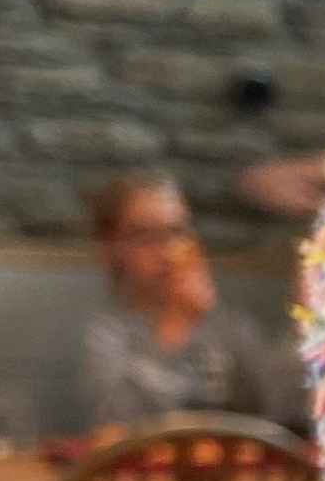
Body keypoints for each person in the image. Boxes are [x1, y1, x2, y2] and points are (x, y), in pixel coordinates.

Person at [80, 172, 304, 432]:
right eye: (146, 235)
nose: (167, 251)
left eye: (177, 232)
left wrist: (306, 322)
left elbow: (280, 414)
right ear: (112, 247)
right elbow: (123, 424)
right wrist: (176, 323)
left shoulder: (227, 325)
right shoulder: (105, 334)